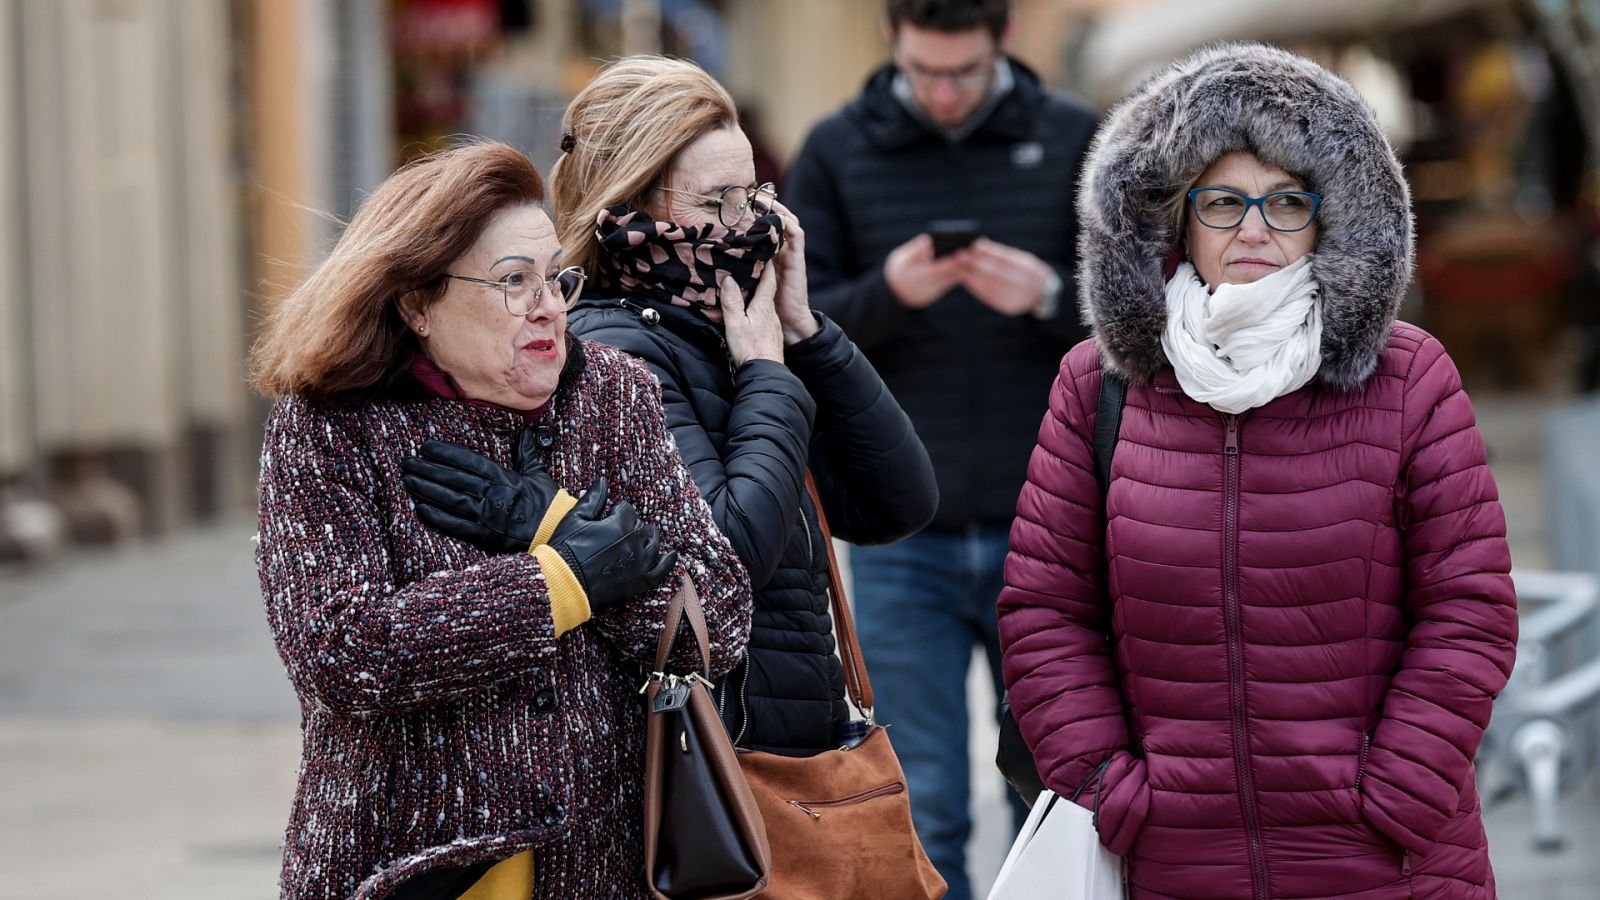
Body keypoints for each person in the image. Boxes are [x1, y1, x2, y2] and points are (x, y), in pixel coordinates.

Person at [999, 43, 1518, 898]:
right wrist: (1114, 790)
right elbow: (1046, 609)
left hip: (1387, 861)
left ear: (1329, 217)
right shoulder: (1098, 385)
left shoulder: (1407, 375)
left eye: (1285, 203)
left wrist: (1399, 789)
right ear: (1174, 217)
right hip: (1172, 863)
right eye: (1225, 202)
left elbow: (1468, 607)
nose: (1253, 229)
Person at [250, 141, 751, 900]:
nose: (549, 306)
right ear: (417, 301)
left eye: (556, 277)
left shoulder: (615, 394)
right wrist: (561, 582)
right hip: (411, 865)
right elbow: (340, 652)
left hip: (602, 866)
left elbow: (721, 614)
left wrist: (551, 520)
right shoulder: (330, 420)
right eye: (514, 282)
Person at [782, 0, 1097, 894]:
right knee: (920, 798)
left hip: (1053, 526)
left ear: (1001, 43)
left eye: (963, 72)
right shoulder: (837, 148)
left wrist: (1047, 295)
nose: (945, 92)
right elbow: (792, 324)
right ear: (894, 43)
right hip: (894, 534)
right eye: (926, 72)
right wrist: (888, 293)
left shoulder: (1077, 137)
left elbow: (1143, 315)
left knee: (1061, 790)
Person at [554, 57, 939, 758]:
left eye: (753, 197)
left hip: (786, 748)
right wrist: (766, 374)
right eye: (715, 203)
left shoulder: (724, 333)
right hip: (715, 767)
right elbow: (730, 551)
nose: (744, 228)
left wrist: (808, 335)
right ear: (631, 205)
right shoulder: (615, 355)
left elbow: (898, 502)